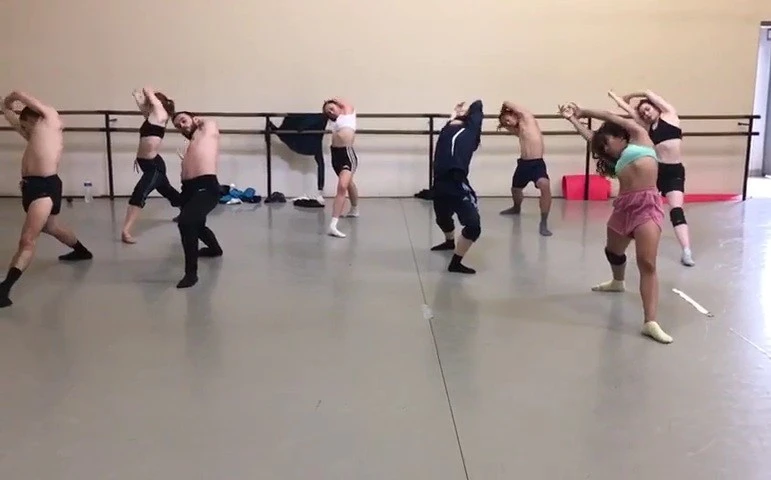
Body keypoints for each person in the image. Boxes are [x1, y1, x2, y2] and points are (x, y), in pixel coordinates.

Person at [558, 102, 672, 344]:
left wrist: (583, 111)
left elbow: (609, 115)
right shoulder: (617, 157)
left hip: (647, 206)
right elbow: (591, 139)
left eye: (607, 142)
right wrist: (572, 120)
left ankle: (650, 321)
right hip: (623, 207)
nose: (605, 148)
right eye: (603, 147)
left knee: (647, 263)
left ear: (620, 136)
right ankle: (617, 282)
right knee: (613, 251)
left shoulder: (641, 138)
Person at [0, 90, 93, 307]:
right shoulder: (35, 135)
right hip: (32, 187)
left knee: (27, 240)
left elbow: (21, 95)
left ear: (33, 119)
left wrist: (10, 99)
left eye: (25, 125)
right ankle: (82, 251)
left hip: (45, 188)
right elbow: (13, 119)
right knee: (50, 227)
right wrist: (5, 109)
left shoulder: (50, 119)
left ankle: (4, 289)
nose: (23, 130)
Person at [608, 90, 694, 267]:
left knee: (676, 210)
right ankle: (634, 238)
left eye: (648, 109)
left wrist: (631, 95)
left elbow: (648, 92)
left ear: (656, 107)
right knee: (643, 207)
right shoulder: (646, 127)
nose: (646, 114)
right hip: (655, 171)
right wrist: (615, 97)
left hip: (674, 172)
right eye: (643, 113)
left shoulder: (669, 115)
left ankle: (686, 250)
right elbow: (629, 112)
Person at [121, 86, 181, 243]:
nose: (147, 105)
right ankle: (186, 209)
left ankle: (126, 231)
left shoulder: (161, 114)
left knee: (139, 193)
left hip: (154, 167)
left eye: (150, 102)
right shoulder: (152, 116)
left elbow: (148, 92)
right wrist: (137, 97)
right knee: (167, 191)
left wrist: (147, 91)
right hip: (148, 164)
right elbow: (143, 107)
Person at [430, 100, 484, 274]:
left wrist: (466, 111)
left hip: (457, 183)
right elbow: (453, 119)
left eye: (463, 112)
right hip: (439, 183)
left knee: (473, 226)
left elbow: (478, 105)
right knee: (442, 218)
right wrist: (455, 112)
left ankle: (455, 263)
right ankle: (449, 242)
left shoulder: (470, 131)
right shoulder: (446, 129)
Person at [171, 111, 224, 289]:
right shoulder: (192, 143)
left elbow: (211, 123)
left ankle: (191, 274)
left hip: (206, 187)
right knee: (197, 225)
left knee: (186, 223)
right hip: (188, 189)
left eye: (183, 121)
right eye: (177, 126)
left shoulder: (207, 131)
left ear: (194, 119)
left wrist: (200, 120)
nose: (181, 126)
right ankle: (215, 249)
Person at [497, 101, 553, 236]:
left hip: (537, 164)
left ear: (513, 114)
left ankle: (543, 222)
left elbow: (507, 102)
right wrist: (503, 123)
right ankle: (516, 208)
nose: (508, 123)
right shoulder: (519, 129)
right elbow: (511, 127)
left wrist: (504, 110)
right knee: (515, 189)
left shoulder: (528, 119)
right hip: (523, 164)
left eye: (508, 119)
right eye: (505, 122)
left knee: (544, 185)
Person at [322, 97, 360, 238]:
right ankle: (355, 209)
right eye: (328, 112)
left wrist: (332, 101)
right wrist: (329, 109)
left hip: (347, 154)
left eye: (332, 108)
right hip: (335, 155)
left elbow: (345, 104)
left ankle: (333, 224)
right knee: (348, 184)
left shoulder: (348, 114)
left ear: (339, 106)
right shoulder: (335, 122)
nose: (331, 112)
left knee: (342, 186)